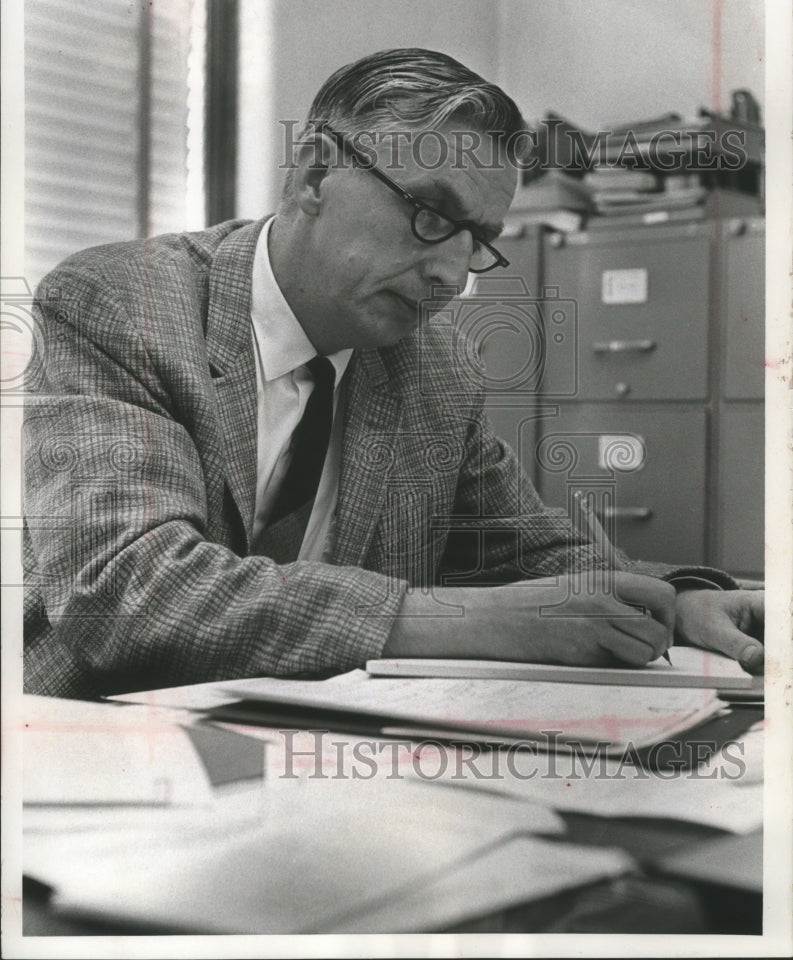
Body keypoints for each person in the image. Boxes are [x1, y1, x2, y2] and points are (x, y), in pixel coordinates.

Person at [23, 48, 764, 699]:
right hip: (104, 752)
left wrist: (675, 601)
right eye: (430, 213)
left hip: (318, 749)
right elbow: (125, 595)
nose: (452, 276)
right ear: (315, 173)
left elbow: (527, 552)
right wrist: (457, 620)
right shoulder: (119, 303)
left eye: (477, 240)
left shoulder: (435, 364)